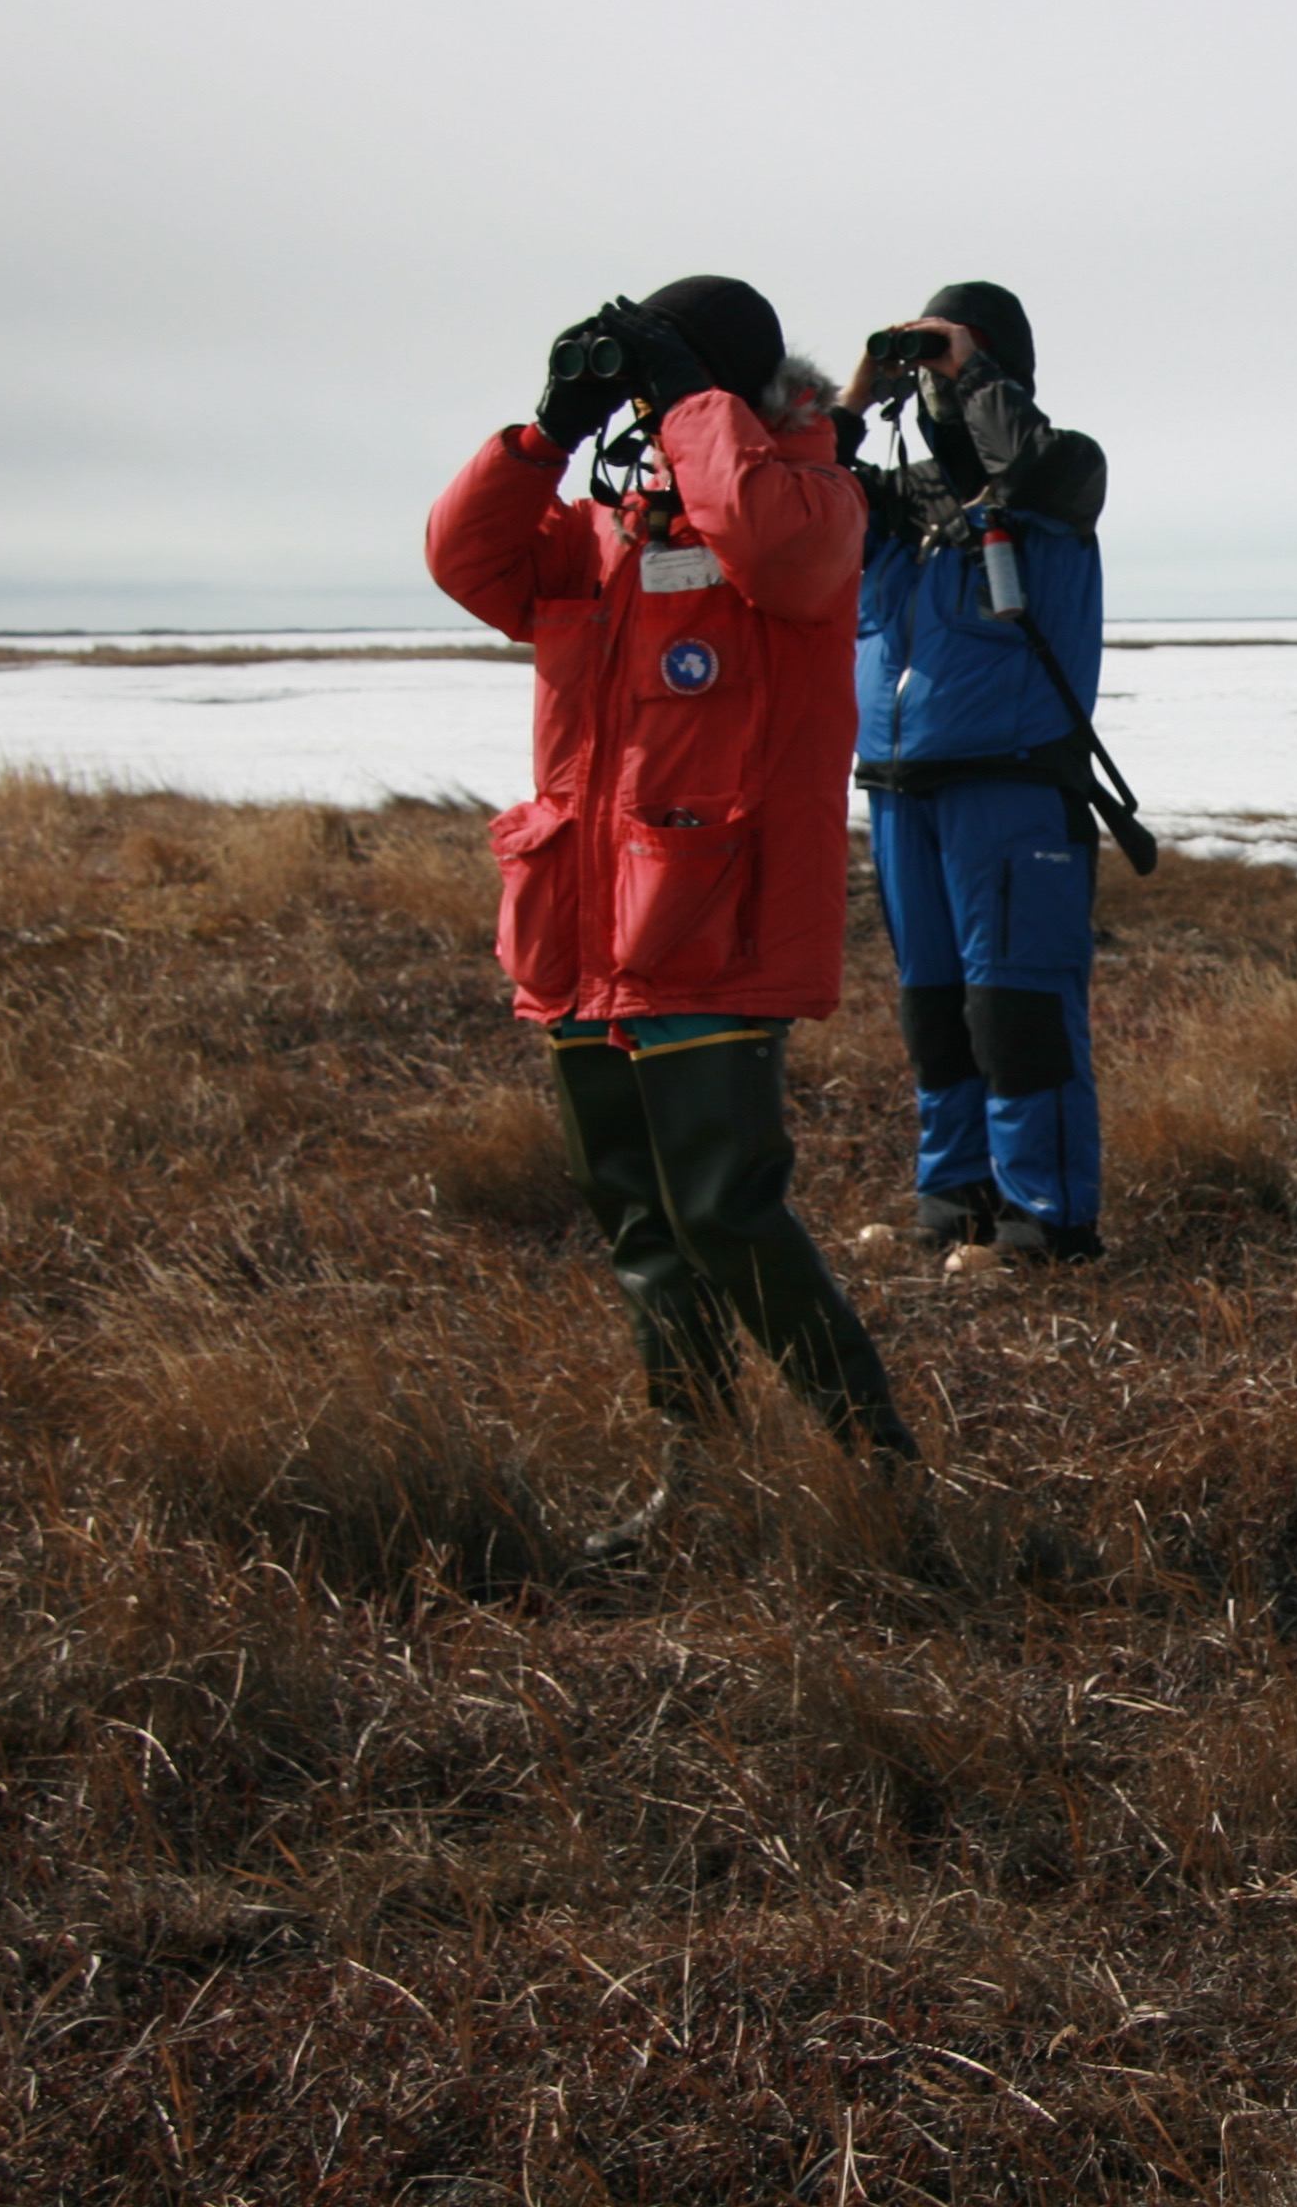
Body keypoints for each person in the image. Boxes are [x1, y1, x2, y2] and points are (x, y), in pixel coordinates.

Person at [426, 274, 916, 1555]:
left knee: (725, 1211)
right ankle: (699, 1484)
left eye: (670, 379)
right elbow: (467, 560)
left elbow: (769, 544)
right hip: (588, 935)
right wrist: (543, 433)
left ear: (721, 388)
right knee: (641, 1218)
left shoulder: (811, 496)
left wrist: (699, 398)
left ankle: (885, 1472)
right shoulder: (603, 532)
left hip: (716, 929)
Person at [836, 281, 1114, 1264]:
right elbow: (805, 493)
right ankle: (955, 1206)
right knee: (937, 1010)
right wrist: (858, 395)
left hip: (1012, 783)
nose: (934, 373)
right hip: (902, 790)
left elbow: (1032, 463)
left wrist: (978, 374)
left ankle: (1047, 1221)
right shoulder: (898, 507)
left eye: (947, 351)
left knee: (1017, 1009)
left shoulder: (1059, 473)